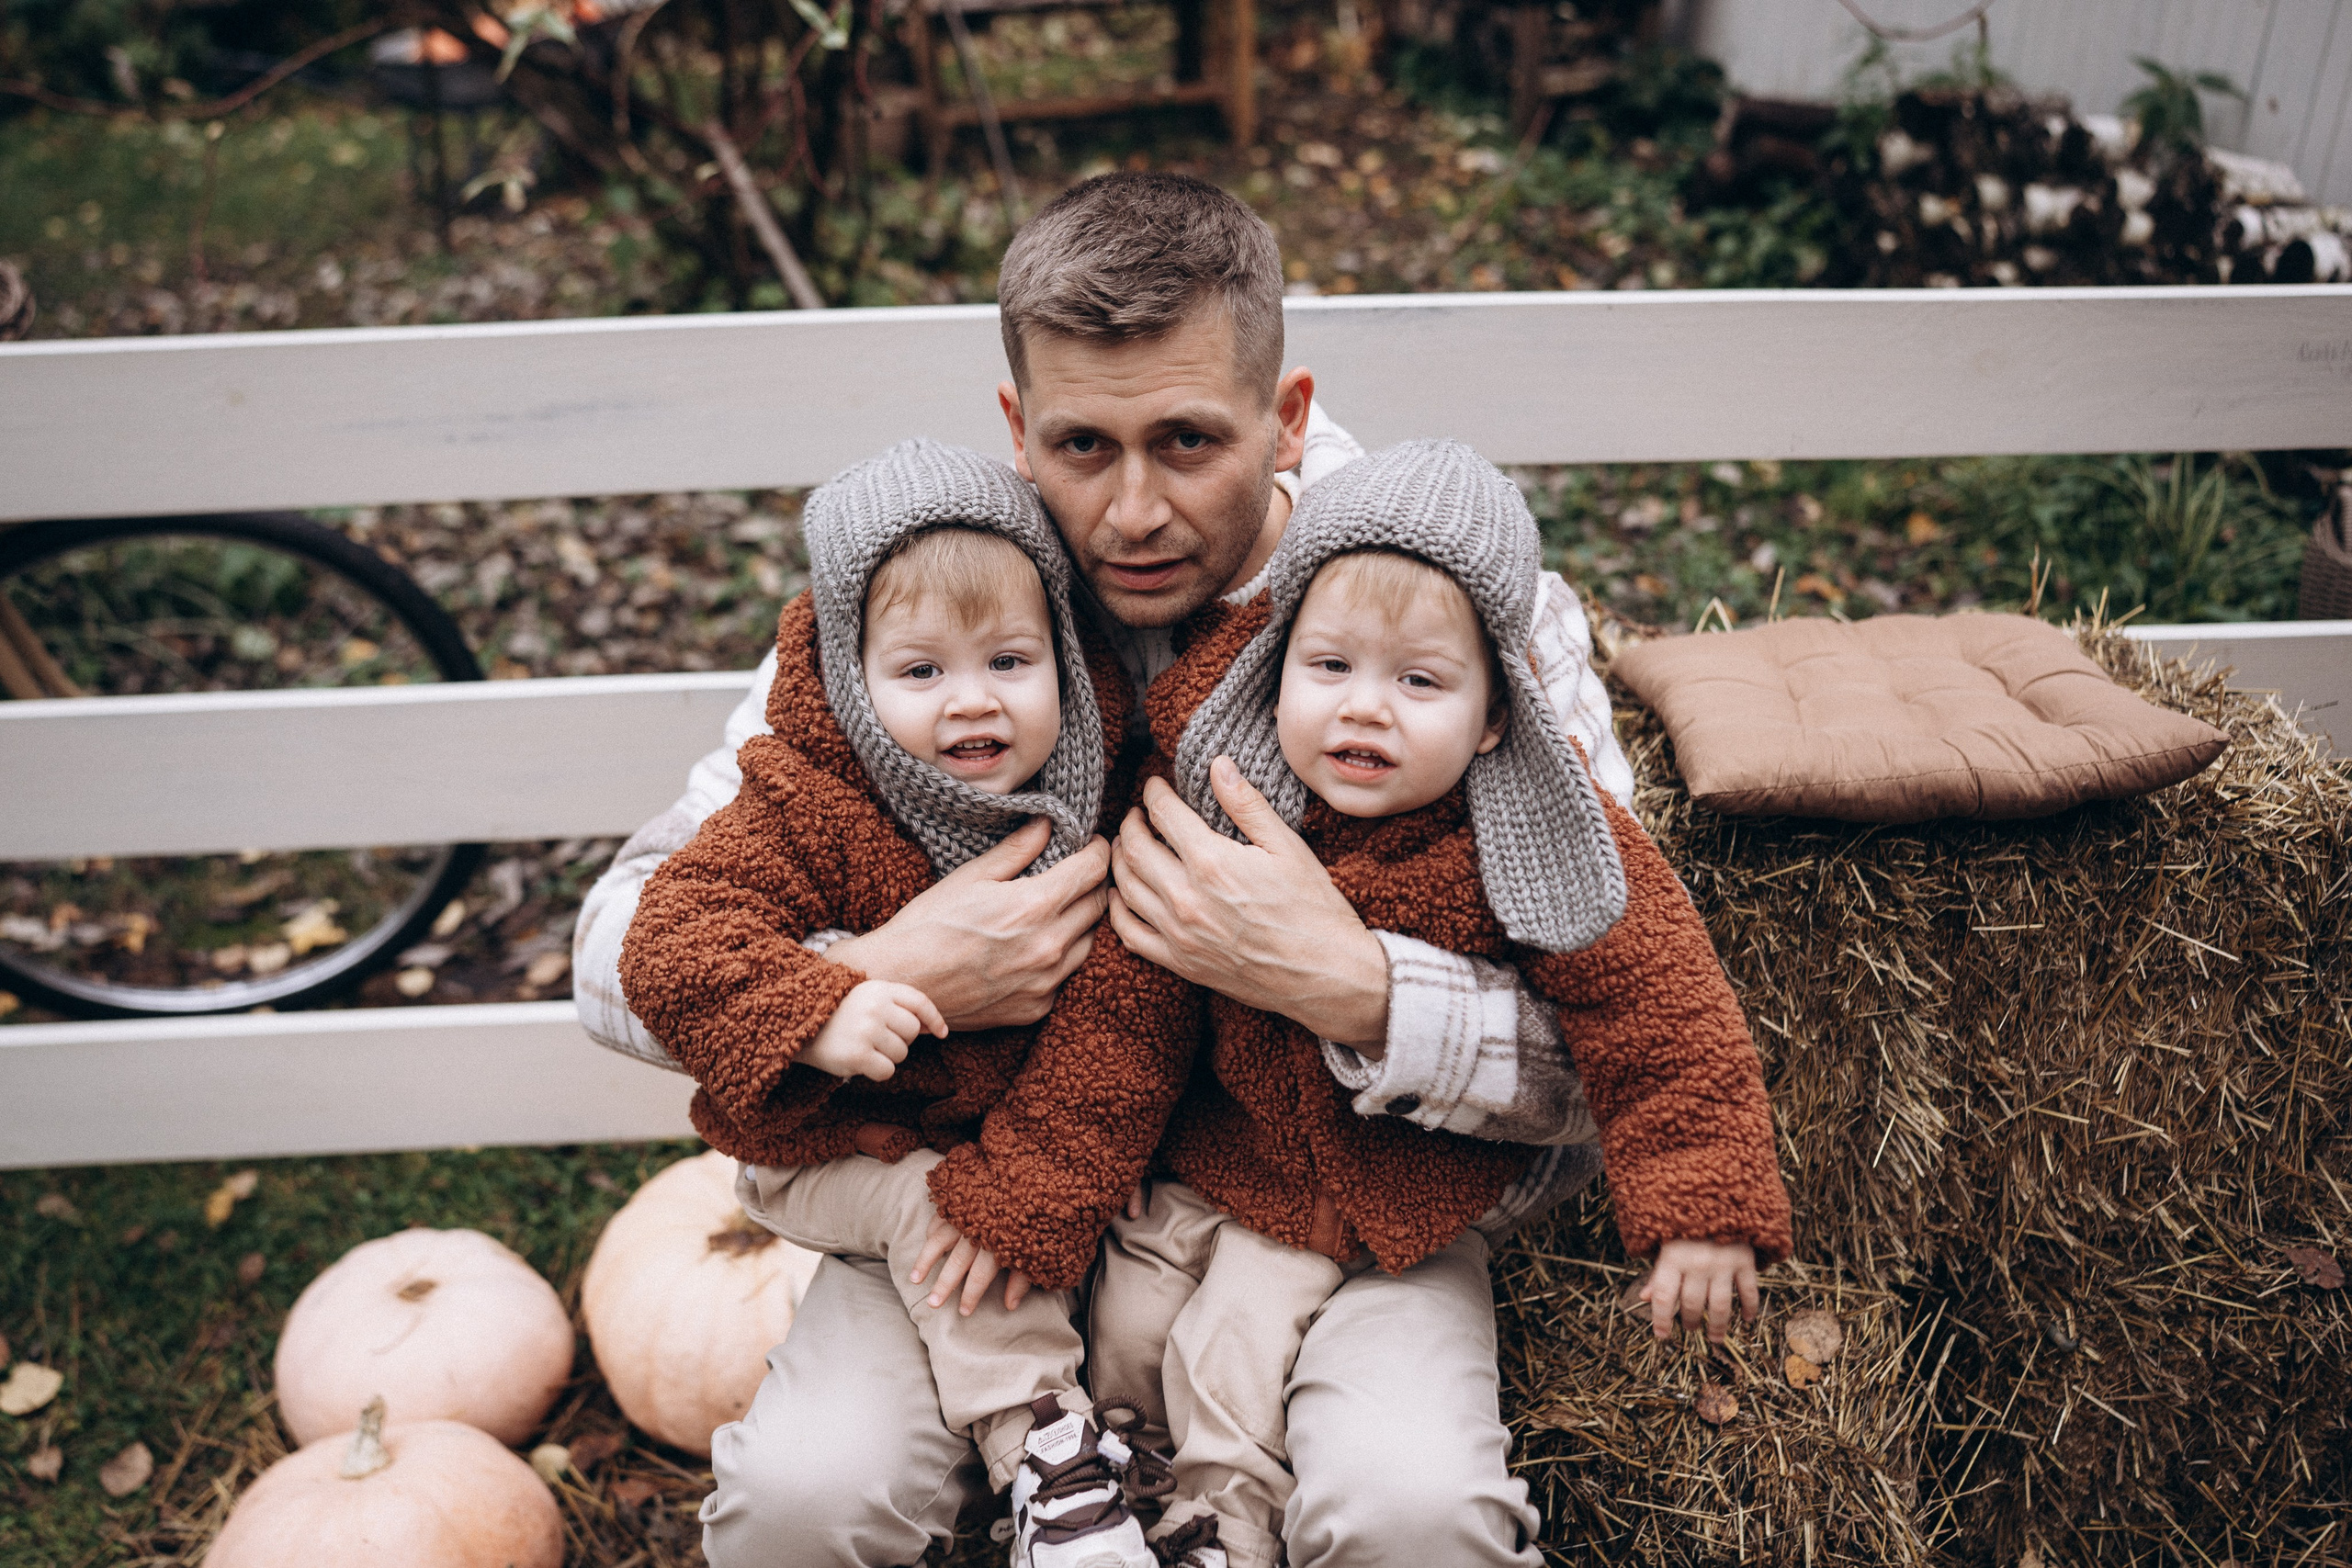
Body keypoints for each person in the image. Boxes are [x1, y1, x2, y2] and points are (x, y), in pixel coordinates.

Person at [570, 172, 1718, 1568]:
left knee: (1417, 1515)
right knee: (799, 1502)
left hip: (1335, 1190)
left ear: (1286, 416)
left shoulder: (1452, 612)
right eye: (1080, 446)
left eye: (1186, 441)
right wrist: (884, 973)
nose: (1128, 511)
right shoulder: (927, 599)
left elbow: (1631, 1015)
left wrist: (1363, 991)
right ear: (1017, 427)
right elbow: (615, 946)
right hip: (972, 1178)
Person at [1087, 439, 1792, 1568]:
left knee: (1327, 1459)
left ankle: (1222, 1534)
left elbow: (1661, 1019)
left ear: (1498, 709)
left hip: (1398, 1228)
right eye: (1329, 669)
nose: (1365, 711)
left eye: (1419, 681)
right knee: (1122, 1359)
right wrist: (1062, 1167)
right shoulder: (1224, 793)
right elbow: (1123, 1013)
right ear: (1274, 669)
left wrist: (1701, 1207)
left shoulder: (1540, 842)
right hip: (1211, 1182)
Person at [617, 440, 1196, 1568]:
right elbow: (665, 948)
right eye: (921, 671)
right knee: (934, 1207)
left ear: (1068, 665)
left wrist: (1031, 1182)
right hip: (853, 1160)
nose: (970, 701)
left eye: (1011, 661)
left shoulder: (1110, 793)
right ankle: (1048, 1456)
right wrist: (827, 995)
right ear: (851, 675)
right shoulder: (803, 797)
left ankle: (1130, 1488)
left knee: (1164, 1317)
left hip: (1070, 1172)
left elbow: (1138, 1016)